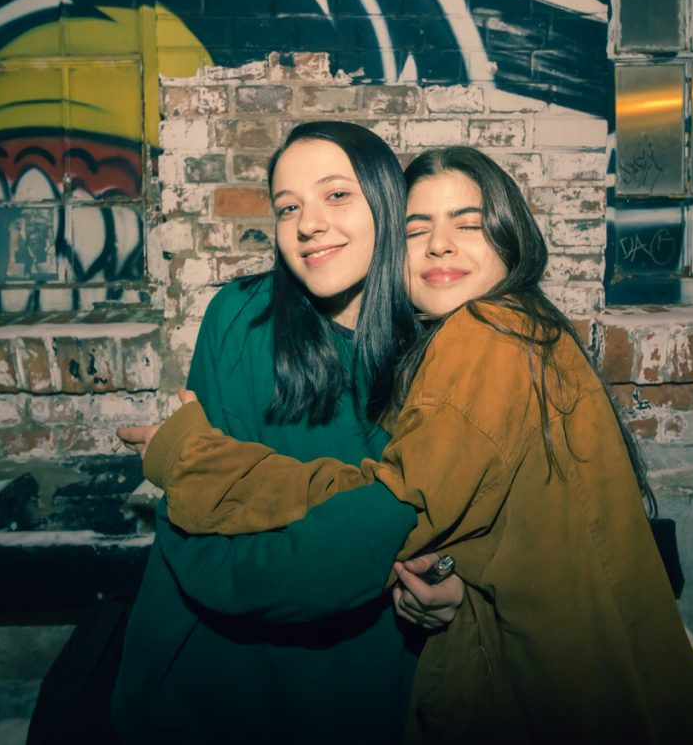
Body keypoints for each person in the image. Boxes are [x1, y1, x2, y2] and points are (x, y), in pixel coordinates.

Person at [134, 147, 693, 743]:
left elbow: (383, 513)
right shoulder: (502, 334)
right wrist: (447, 578)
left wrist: (193, 459)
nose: (439, 245)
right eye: (417, 230)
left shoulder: (488, 336)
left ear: (510, 237)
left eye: (468, 225)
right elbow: (475, 526)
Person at [109, 122, 463, 745]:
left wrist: (450, 584)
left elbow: (447, 531)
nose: (308, 224)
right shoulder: (240, 317)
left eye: (336, 195)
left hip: (365, 687)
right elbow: (197, 531)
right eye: (288, 207)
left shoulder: (447, 351)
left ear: (386, 204)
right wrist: (374, 548)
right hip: (215, 680)